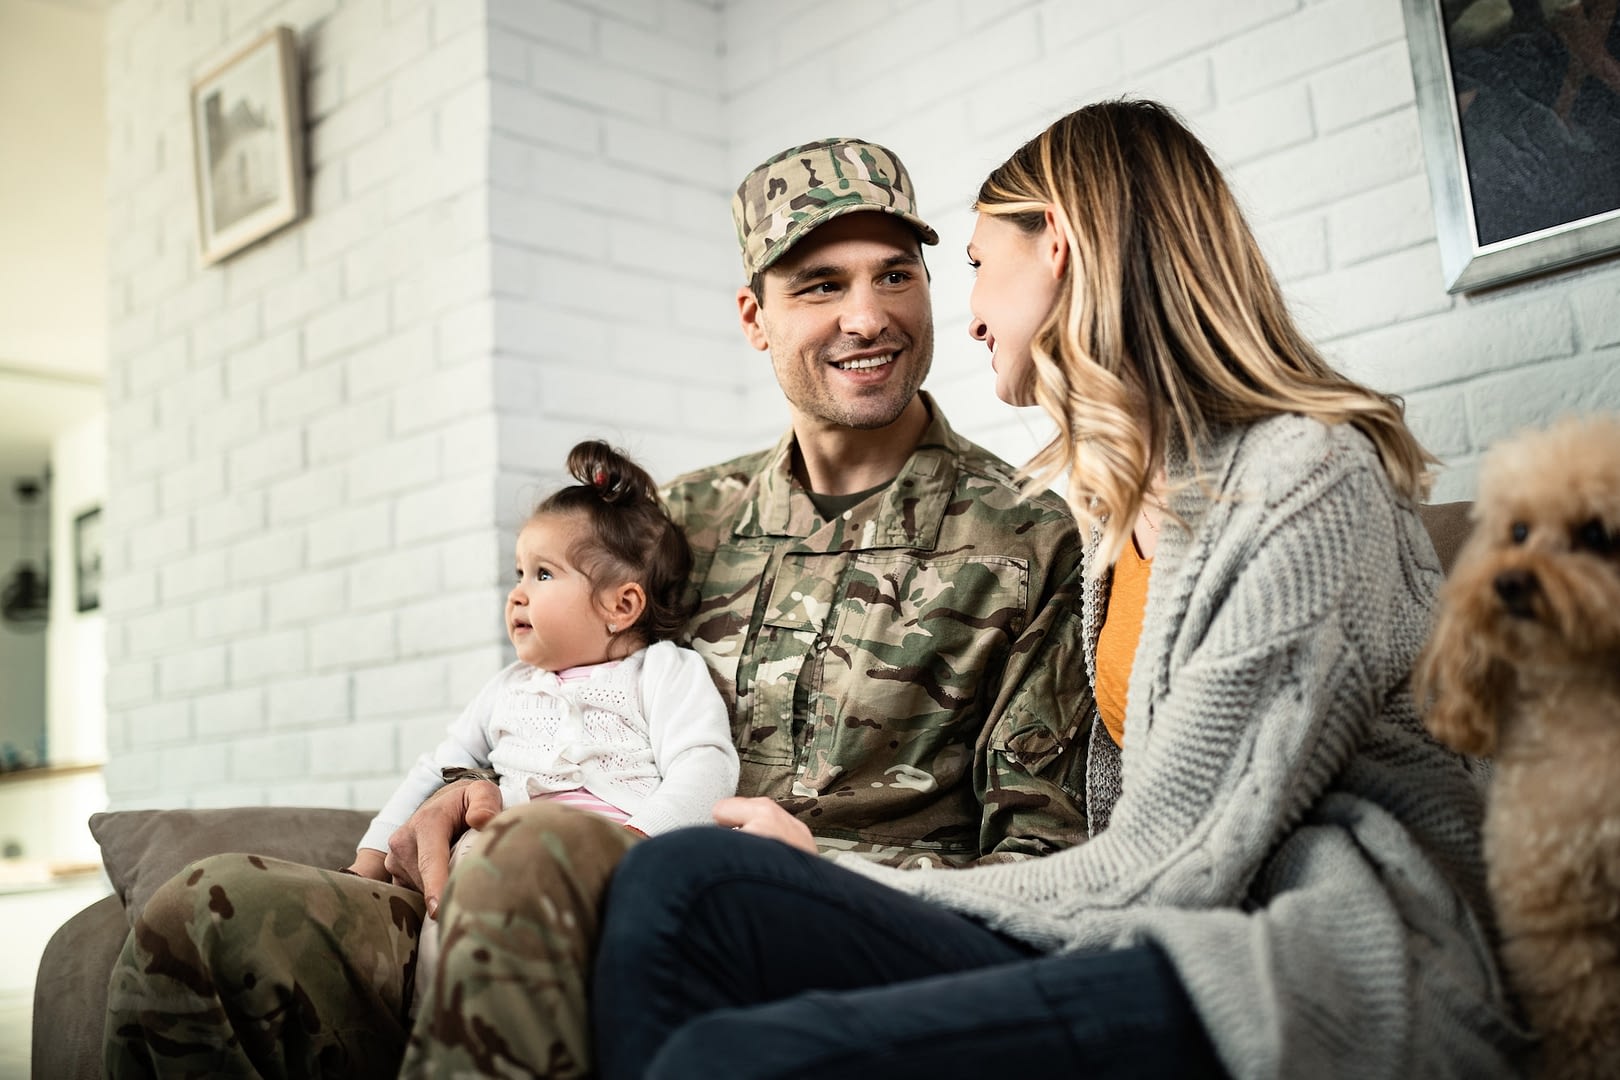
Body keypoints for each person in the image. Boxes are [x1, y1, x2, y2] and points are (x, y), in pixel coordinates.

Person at [103, 137, 1092, 1079]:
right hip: (537, 889)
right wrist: (459, 784)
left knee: (533, 851)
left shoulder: (1024, 538)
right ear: (754, 317)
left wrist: (815, 861)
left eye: (894, 274)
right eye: (821, 285)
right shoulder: (679, 520)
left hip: (804, 924)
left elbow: (1043, 867)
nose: (868, 316)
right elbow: (542, 690)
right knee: (208, 912)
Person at [589, 99, 1531, 1079]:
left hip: (1320, 962)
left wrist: (830, 872)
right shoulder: (1127, 511)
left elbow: (1180, 857)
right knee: (682, 881)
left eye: (974, 267)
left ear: (1064, 251)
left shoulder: (1304, 482)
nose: (973, 314)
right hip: (1157, 930)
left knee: (724, 1056)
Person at [346, 439, 738, 1010]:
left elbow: (705, 767)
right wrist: (370, 857)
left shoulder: (663, 670)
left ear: (621, 606)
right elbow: (434, 770)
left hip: (614, 861)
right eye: (519, 572)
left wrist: (635, 846)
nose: (518, 593)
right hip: (500, 862)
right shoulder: (506, 687)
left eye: (544, 575)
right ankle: (448, 1030)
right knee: (456, 915)